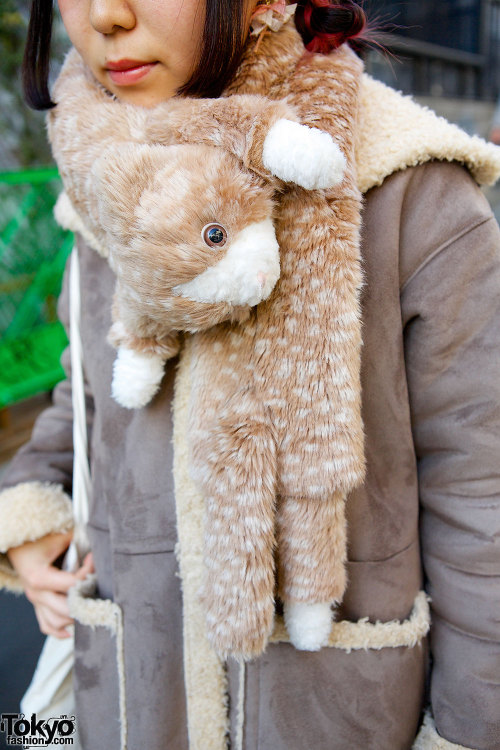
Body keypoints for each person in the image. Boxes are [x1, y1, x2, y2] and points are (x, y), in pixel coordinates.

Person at [0, 1, 499, 748]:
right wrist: (32, 508)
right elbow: (88, 385)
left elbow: (480, 484)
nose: (105, 16)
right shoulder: (103, 176)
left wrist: (469, 731)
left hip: (334, 713)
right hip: (138, 694)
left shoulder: (410, 191)